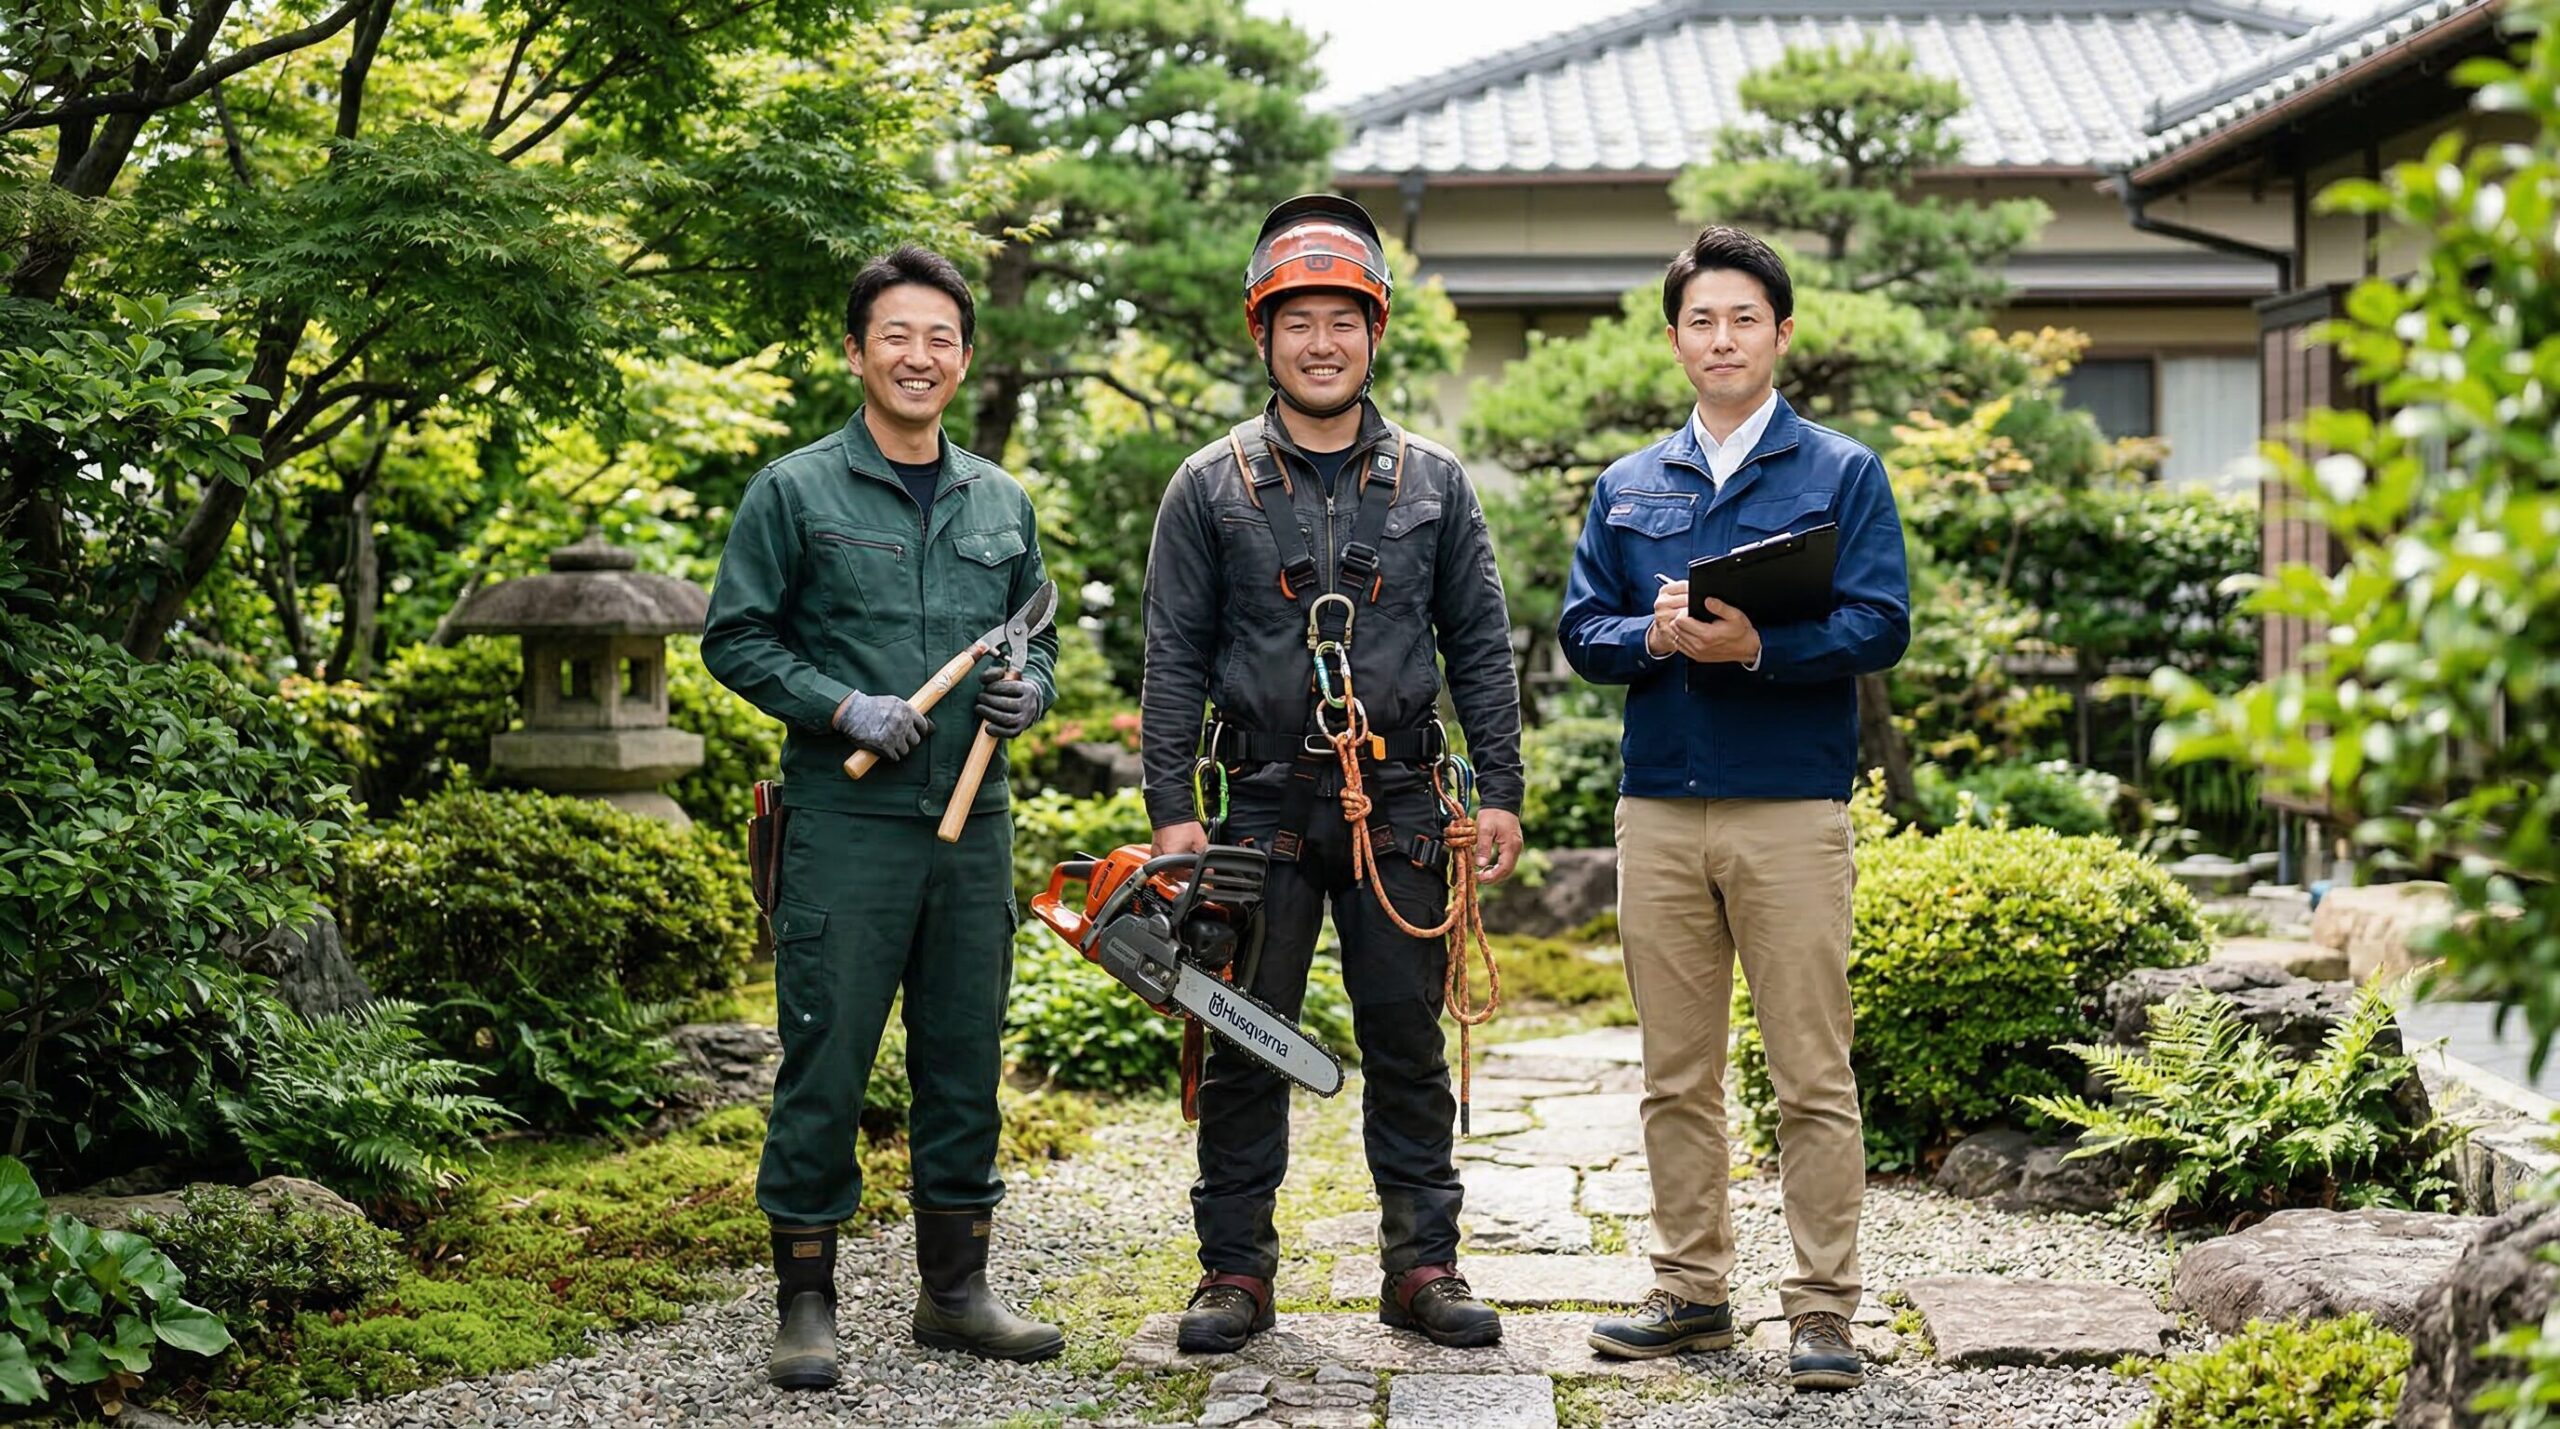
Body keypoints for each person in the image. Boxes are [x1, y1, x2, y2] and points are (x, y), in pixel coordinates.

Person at [1140, 193, 1527, 1353]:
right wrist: (1171, 814)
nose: (1321, 341)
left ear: (1375, 332)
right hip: (1255, 801)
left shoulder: (1435, 485)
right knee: (1246, 1031)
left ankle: (1423, 1262)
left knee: (1406, 1038)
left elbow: (1480, 641)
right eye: (1297, 320)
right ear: (1262, 334)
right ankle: (1233, 1270)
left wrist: (1497, 789)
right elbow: (1170, 655)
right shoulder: (1206, 486)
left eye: (1342, 320)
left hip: (1401, 801)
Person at [702, 243, 1064, 1388]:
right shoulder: (794, 490)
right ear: (856, 351)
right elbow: (737, 636)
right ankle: (805, 1299)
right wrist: (839, 703)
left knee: (964, 1056)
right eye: (896, 335)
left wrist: (1029, 689)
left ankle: (955, 1292)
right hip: (843, 826)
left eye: (941, 337)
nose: (920, 355)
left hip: (974, 822)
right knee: (826, 1059)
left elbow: (1035, 636)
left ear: (964, 356)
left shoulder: (999, 498)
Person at [1557, 225, 1911, 1392]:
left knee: (1811, 1070)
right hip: (1657, 807)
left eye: (1743, 318)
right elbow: (1580, 631)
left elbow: (1881, 623)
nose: (1722, 338)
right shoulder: (1625, 484)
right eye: (1701, 320)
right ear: (1675, 340)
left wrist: (1763, 643)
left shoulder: (1841, 473)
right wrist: (1644, 633)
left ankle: (1821, 1311)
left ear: (1781, 334)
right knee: (1675, 1071)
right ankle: (1691, 1291)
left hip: (1788, 811)